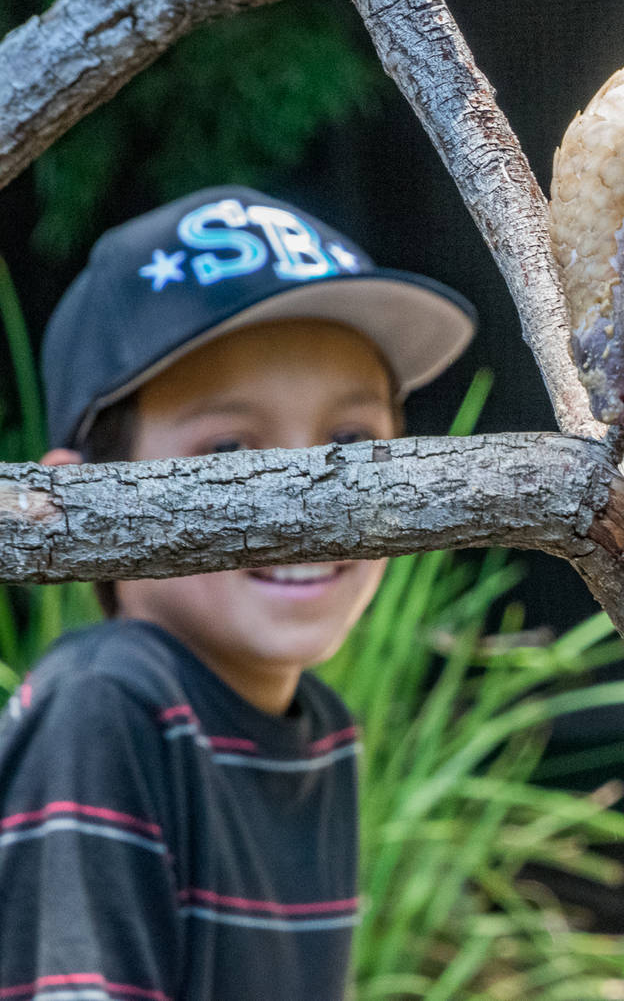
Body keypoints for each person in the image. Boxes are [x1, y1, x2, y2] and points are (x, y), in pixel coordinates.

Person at [0, 186, 477, 999]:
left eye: (351, 442)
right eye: (228, 449)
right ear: (77, 508)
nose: (307, 499)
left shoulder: (319, 730)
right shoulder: (108, 703)